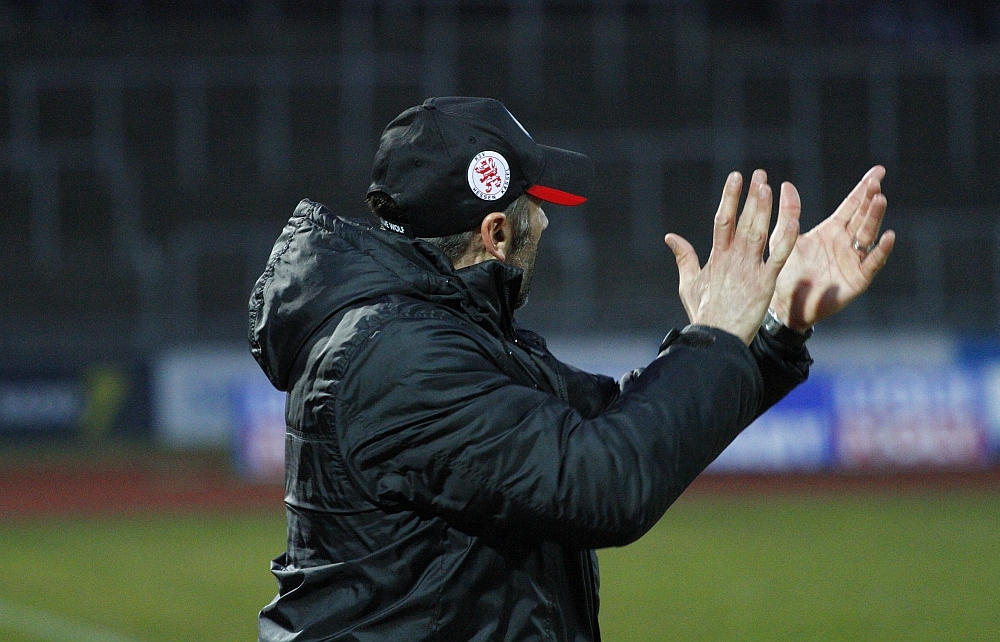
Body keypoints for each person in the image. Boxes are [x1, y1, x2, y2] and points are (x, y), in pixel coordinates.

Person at [249, 96, 893, 642]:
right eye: (536, 204)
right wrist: (715, 335)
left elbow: (617, 423)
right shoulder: (398, 357)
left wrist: (771, 324)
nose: (547, 219)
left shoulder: (437, 334)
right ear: (497, 233)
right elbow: (603, 483)